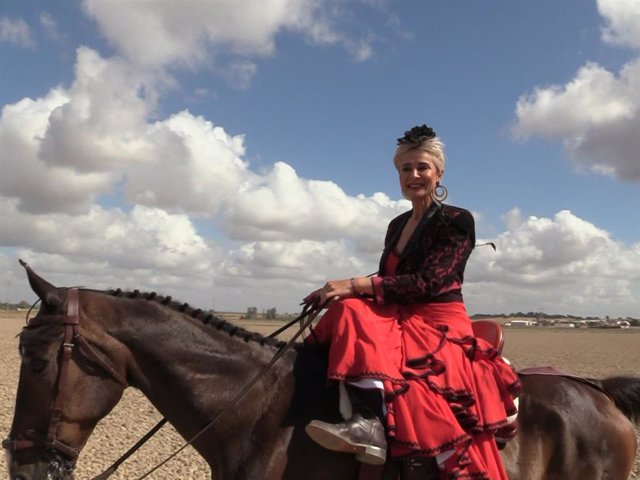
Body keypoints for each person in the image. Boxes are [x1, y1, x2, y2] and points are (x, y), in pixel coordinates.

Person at [302, 125, 520, 479]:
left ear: (439, 173)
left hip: (438, 320)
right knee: (344, 308)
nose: (414, 175)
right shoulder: (397, 224)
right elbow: (389, 275)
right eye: (406, 168)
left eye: (422, 167)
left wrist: (355, 285)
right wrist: (334, 289)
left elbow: (429, 281)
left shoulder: (456, 220)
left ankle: (371, 423)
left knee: (355, 308)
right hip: (399, 314)